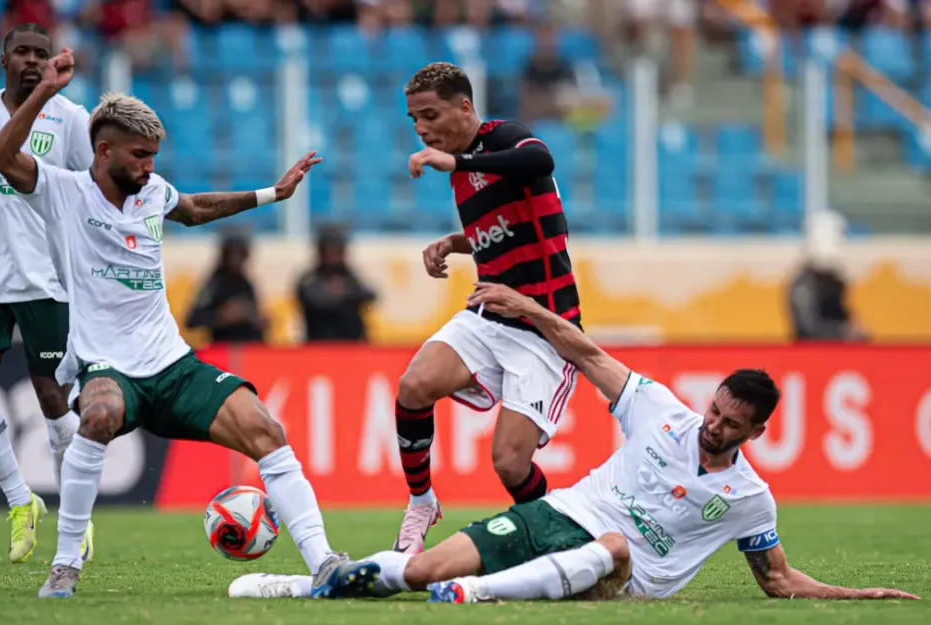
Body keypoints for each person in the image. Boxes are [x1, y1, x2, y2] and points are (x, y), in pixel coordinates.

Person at [230, 282, 920, 604]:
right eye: (716, 410)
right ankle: (301, 584)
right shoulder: (662, 411)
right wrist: (530, 309)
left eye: (731, 424)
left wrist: (856, 594)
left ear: (756, 432)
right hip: (558, 516)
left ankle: (481, 594)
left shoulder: (749, 498)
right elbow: (587, 354)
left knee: (615, 548)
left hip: (622, 573)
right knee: (420, 569)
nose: (714, 424)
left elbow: (776, 580)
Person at [0, 47, 362, 599]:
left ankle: (325, 561)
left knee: (267, 431)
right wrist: (44, 91)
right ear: (104, 150)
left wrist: (271, 194)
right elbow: (0, 156)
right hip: (108, 366)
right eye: (140, 156)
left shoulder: (153, 192)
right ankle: (66, 564)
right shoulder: (63, 191)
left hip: (173, 365)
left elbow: (197, 208)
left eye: (154, 156)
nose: (149, 167)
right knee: (100, 413)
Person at [391, 61, 583, 555]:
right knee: (414, 385)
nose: (421, 128)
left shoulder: (504, 139)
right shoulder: (461, 166)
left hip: (546, 327)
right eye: (414, 119)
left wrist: (457, 165)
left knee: (509, 464)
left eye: (429, 115)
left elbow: (539, 162)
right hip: (490, 313)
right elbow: (509, 234)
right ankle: (421, 502)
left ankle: (561, 542)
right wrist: (455, 244)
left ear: (465, 107)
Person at [0, 23, 93, 565]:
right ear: (3, 58)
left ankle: (78, 516)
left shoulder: (70, 118)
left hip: (49, 278)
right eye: (23, 52)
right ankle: (19, 498)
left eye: (42, 53)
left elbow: (92, 186)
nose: (33, 61)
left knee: (54, 400)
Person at [295, 224, 377, 343]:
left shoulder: (349, 276)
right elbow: (314, 299)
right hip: (319, 346)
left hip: (352, 346)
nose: (334, 257)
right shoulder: (310, 278)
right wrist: (340, 295)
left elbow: (370, 294)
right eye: (330, 251)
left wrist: (345, 291)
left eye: (338, 251)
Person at [186, 230, 270, 344]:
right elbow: (192, 320)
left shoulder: (246, 283)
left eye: (241, 254)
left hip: (249, 349)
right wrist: (222, 316)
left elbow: (256, 315)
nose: (237, 260)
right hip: (224, 349)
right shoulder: (214, 284)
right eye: (233, 254)